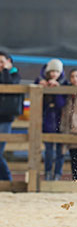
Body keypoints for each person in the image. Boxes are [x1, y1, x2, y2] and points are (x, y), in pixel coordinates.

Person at [35, 58, 67, 181]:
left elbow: (61, 104)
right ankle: (48, 173)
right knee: (48, 151)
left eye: (57, 71)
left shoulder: (64, 83)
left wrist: (57, 90)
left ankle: (57, 174)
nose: (54, 74)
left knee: (60, 151)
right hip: (47, 121)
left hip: (61, 122)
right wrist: (42, 88)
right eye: (52, 71)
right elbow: (39, 103)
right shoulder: (40, 81)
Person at [0, 52, 21, 181]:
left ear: (9, 62)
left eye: (2, 61)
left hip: (6, 118)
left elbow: (9, 84)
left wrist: (6, 70)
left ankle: (8, 180)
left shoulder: (15, 74)